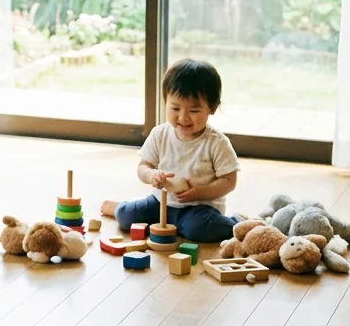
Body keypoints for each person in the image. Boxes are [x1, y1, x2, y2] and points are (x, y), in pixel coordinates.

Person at [99, 59, 243, 243]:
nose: (183, 117)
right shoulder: (160, 134)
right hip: (160, 202)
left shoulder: (216, 142)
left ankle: (239, 224)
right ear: (165, 102)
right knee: (128, 217)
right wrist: (152, 175)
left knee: (199, 229)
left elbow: (229, 181)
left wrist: (199, 192)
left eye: (193, 110)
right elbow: (143, 166)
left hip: (198, 209)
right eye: (175, 108)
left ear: (212, 108)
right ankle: (120, 208)